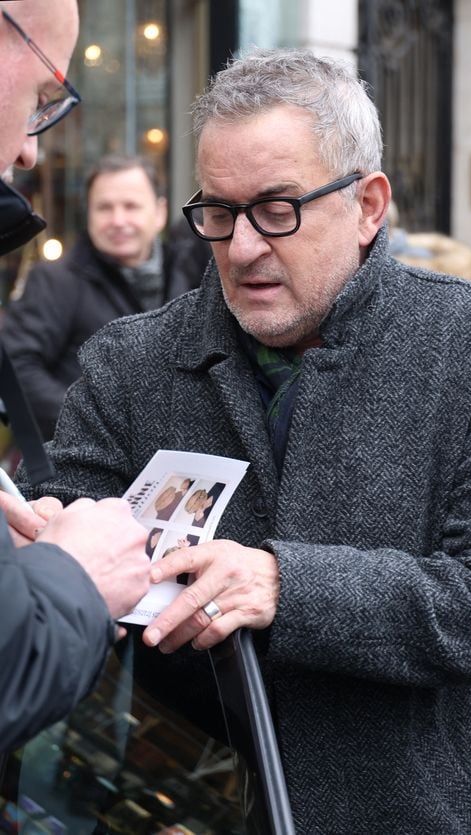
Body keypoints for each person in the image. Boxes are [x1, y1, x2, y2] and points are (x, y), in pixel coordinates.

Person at [0, 48, 471, 833]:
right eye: (219, 213)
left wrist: (287, 586)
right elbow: (56, 527)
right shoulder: (129, 361)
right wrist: (38, 534)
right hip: (167, 809)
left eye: (277, 209)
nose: (240, 248)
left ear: (369, 204)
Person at [0, 0, 151, 753]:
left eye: (134, 205)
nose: (30, 150)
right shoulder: (59, 284)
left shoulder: (190, 278)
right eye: (41, 100)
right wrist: (74, 575)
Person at [1, 154, 204, 440]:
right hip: (79, 460)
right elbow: (15, 368)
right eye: (104, 208)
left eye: (131, 206)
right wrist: (96, 428)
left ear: (159, 212)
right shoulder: (56, 281)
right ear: (89, 215)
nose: (118, 220)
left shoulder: (189, 271)